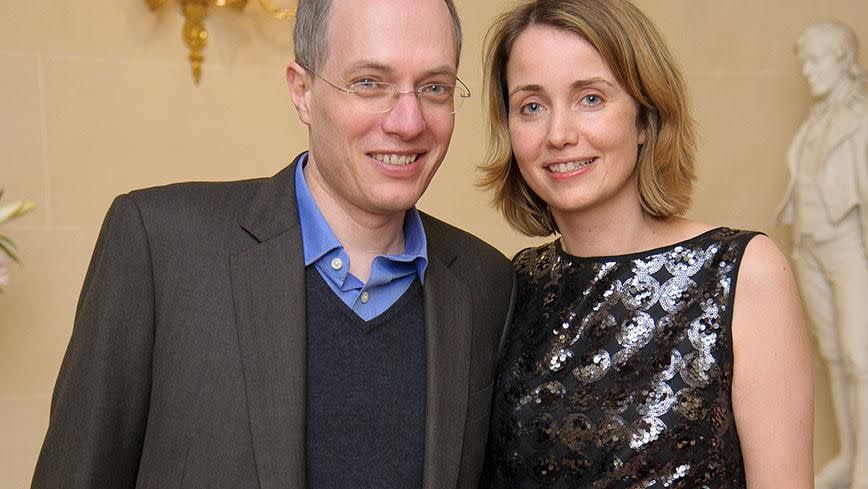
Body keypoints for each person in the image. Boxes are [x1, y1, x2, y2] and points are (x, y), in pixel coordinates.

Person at [30, 0, 514, 488]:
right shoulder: (160, 246)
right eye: (369, 83)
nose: (408, 122)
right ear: (301, 91)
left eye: (435, 88)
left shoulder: (487, 284)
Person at [477, 0, 813, 487]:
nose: (559, 134)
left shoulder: (742, 273)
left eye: (590, 98)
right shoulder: (510, 284)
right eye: (532, 106)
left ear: (644, 117)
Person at [778, 20, 868, 489]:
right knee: (833, 355)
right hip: (810, 246)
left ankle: (866, 464)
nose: (808, 72)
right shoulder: (815, 121)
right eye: (804, 62)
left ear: (842, 60)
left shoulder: (862, 119)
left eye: (816, 61)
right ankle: (852, 453)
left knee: (861, 357)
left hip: (850, 249)